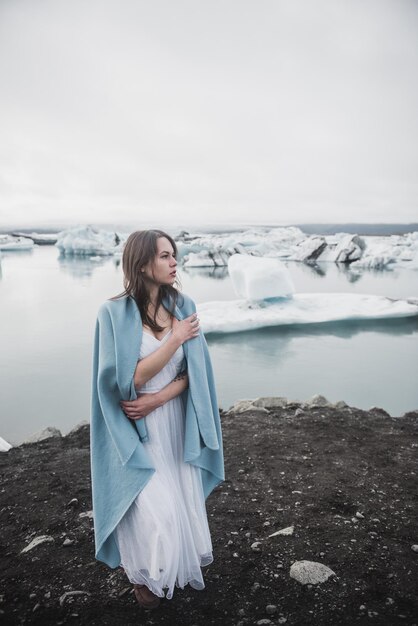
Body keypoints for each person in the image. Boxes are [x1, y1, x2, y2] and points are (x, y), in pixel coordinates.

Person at [90, 229, 225, 610]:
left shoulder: (183, 305)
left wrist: (161, 398)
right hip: (137, 429)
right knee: (152, 508)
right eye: (164, 256)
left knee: (179, 503)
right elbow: (128, 379)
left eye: (174, 255)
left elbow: (198, 374)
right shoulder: (113, 312)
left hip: (175, 423)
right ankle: (142, 576)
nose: (173, 262)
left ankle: (162, 579)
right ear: (142, 263)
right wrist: (174, 340)